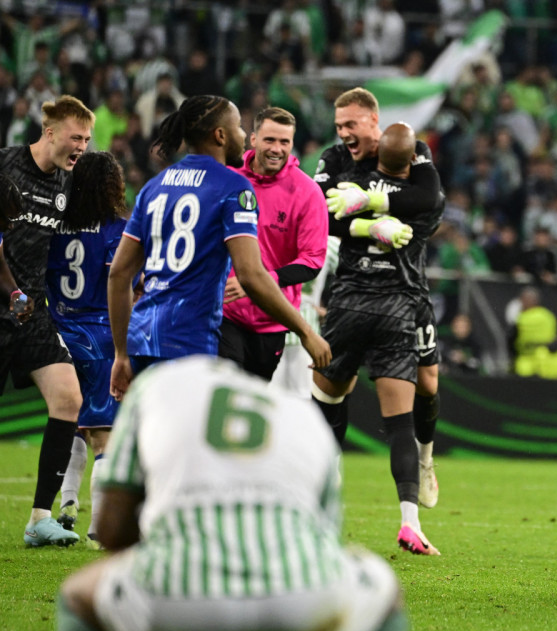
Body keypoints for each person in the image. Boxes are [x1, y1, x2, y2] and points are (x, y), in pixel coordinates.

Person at [57, 355, 406, 631]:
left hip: (176, 607)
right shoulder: (302, 416)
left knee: (75, 599)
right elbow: (317, 551)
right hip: (302, 601)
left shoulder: (156, 386)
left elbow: (112, 531)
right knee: (385, 593)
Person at [108, 95, 330, 402]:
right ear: (221, 135)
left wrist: (121, 352)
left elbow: (119, 274)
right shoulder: (233, 187)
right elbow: (251, 275)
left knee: (157, 442)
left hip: (143, 339)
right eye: (239, 127)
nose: (243, 135)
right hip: (192, 339)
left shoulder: (154, 186)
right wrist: (306, 332)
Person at [315, 121, 445, 556]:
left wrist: (362, 216)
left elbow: (324, 217)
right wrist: (374, 224)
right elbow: (428, 199)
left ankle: (319, 506)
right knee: (400, 423)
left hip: (348, 305)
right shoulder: (421, 200)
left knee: (326, 404)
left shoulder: (351, 184)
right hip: (397, 309)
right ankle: (410, 521)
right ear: (413, 161)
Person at [0, 95, 93, 548]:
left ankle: (39, 518)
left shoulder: (65, 184)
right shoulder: (5, 166)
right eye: (76, 137)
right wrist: (11, 290)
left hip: (31, 313)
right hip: (4, 304)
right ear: (50, 131)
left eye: (87, 141)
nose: (81, 147)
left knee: (68, 399)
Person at [44, 152, 126, 546]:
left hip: (57, 335)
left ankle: (66, 506)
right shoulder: (116, 230)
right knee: (104, 437)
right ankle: (99, 527)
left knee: (71, 421)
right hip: (100, 338)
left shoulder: (54, 226)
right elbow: (121, 283)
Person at [220, 107, 327, 380]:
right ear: (253, 139)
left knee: (250, 403)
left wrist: (258, 281)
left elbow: (312, 261)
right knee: (226, 386)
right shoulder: (228, 179)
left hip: (272, 321)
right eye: (270, 140)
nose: (277, 149)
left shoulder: (307, 193)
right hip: (223, 312)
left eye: (284, 142)